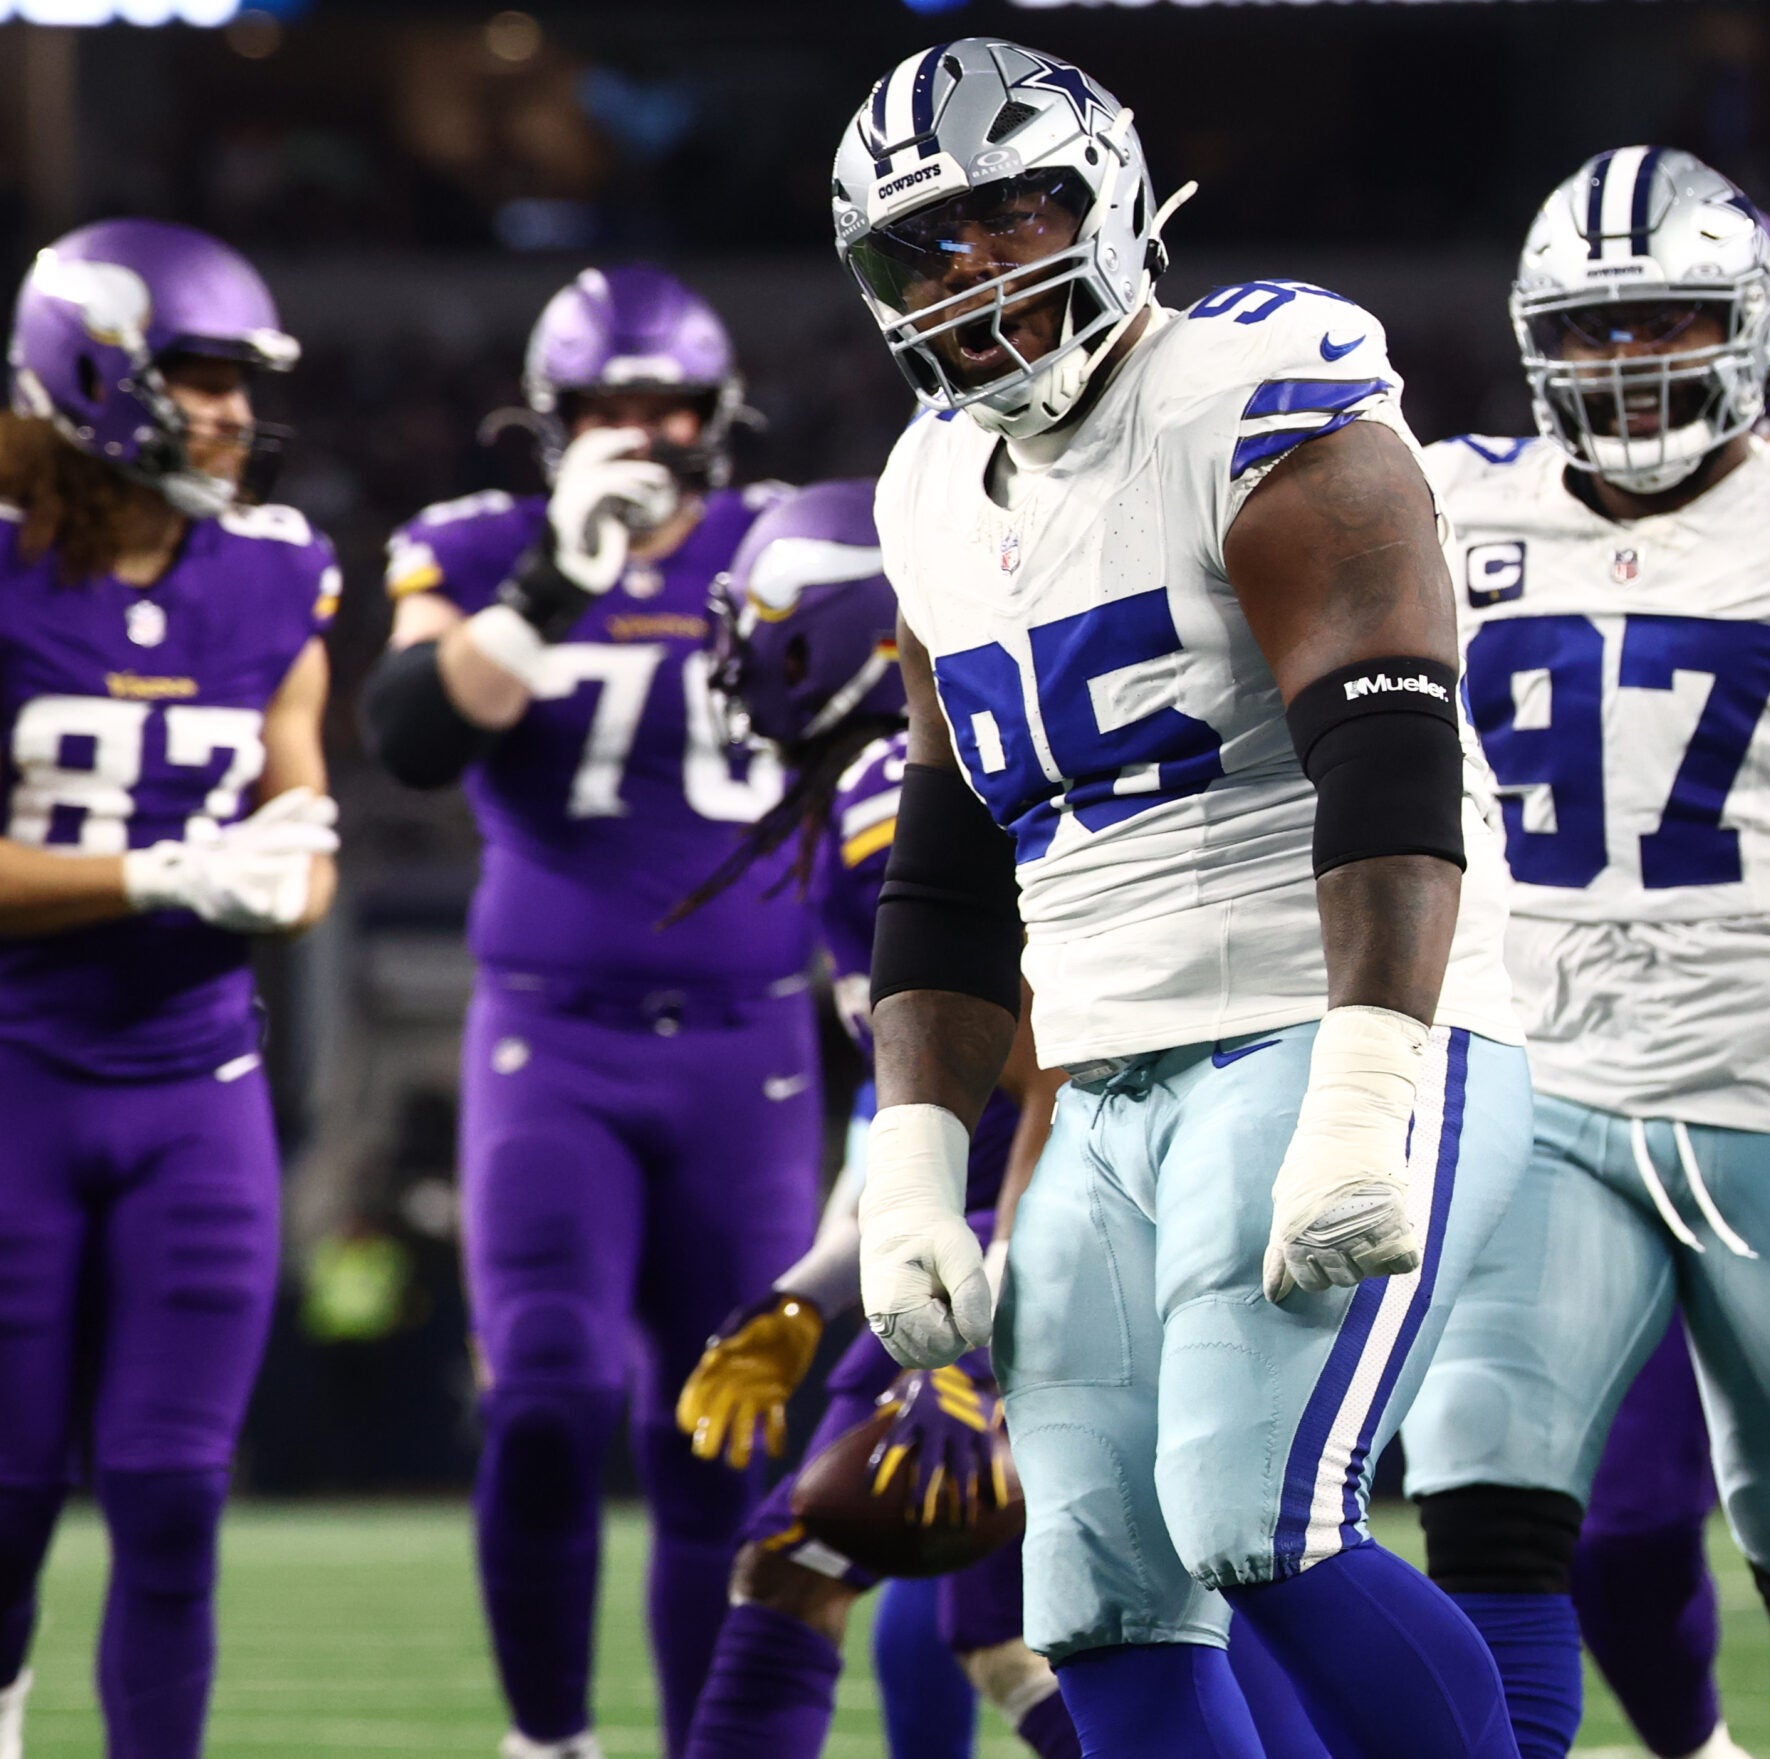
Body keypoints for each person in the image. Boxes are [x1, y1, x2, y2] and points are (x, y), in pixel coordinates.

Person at [832, 36, 1531, 1759]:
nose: (973, 267)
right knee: (1097, 1585)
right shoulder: (926, 484)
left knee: (1253, 1509)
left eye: (1012, 214)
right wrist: (911, 1155)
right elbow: (949, 850)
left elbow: (1387, 752)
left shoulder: (1260, 384)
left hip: (1323, 1008)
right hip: (1105, 1069)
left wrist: (1371, 1079)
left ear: (1115, 199)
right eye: (929, 242)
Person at [1406, 149, 1770, 1759]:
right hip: (1535, 1070)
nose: (1628, 360)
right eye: (1592, 327)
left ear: (1758, 328)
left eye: (1666, 318)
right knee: (1485, 1496)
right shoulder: (1447, 495)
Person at [359, 266, 819, 1759]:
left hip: (751, 1047)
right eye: (608, 406)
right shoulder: (482, 543)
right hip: (550, 1039)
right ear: (551, 422)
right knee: (545, 1396)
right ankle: (547, 1738)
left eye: (665, 404)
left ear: (716, 414)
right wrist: (557, 575)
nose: (639, 431)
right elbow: (415, 735)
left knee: (723, 1433)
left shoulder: (791, 542)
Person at [656, 478, 1078, 1759]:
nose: (737, 667)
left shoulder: (893, 796)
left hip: (1056, 1218)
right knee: (1023, 1630)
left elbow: (1058, 1059)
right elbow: (906, 1127)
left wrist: (984, 1334)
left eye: (762, 630)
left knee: (806, 1557)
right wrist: (806, 1293)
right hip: (1016, 1216)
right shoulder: (865, 798)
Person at [0, 218, 339, 1759]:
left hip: (197, 1086)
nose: (223, 412)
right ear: (86, 375)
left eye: (234, 381)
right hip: (16, 1078)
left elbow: (301, 824)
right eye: (192, 377)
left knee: (171, 1488)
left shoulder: (275, 572)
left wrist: (287, 869)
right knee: (5, 1493)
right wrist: (153, 876)